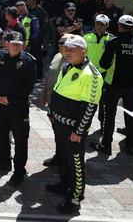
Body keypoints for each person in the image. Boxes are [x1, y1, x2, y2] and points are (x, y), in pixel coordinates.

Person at [46, 35, 103, 215]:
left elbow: (90, 107)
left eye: (73, 49)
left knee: (76, 164)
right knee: (64, 159)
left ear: (84, 51)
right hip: (59, 123)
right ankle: (64, 184)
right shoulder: (67, 66)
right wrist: (52, 113)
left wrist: (79, 131)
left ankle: (75, 199)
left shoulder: (91, 75)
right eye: (66, 48)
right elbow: (58, 89)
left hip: (73, 129)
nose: (67, 52)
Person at [93, 14, 133, 156]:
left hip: (113, 84)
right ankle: (130, 146)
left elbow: (103, 64)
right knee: (131, 115)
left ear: (119, 26)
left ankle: (106, 146)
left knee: (109, 115)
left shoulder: (113, 43)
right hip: (132, 85)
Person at [0, 31, 36, 186]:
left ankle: (19, 171)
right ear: (6, 43)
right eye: (12, 44)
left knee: (21, 139)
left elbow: (28, 86)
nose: (15, 47)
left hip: (18, 107)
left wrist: (10, 99)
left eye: (18, 45)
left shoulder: (28, 61)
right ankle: (4, 161)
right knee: (1, 134)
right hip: (0, 105)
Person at [40, 34, 75, 167]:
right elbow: (49, 75)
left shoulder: (74, 61)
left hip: (66, 107)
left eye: (63, 43)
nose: (60, 44)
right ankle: (59, 156)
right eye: (59, 42)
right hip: (52, 104)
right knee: (57, 133)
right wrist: (44, 93)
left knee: (65, 135)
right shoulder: (57, 56)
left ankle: (66, 162)